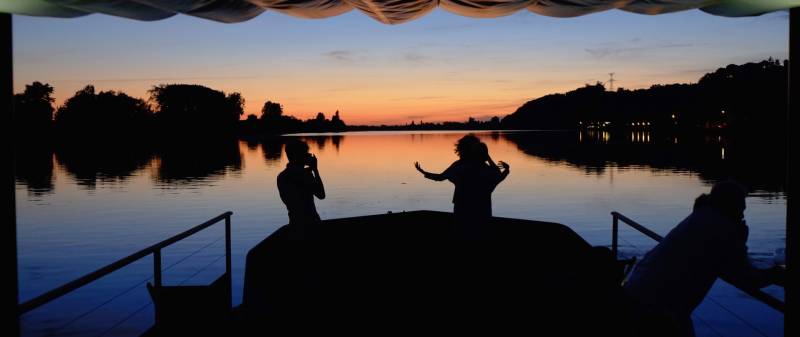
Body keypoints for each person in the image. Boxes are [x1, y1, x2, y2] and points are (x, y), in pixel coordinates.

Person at [623, 181, 784, 336]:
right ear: (730, 206)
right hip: (659, 309)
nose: (742, 215)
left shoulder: (700, 216)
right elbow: (746, 277)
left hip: (636, 291)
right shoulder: (724, 229)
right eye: (740, 209)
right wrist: (776, 274)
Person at [414, 134, 510, 237]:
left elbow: (440, 177)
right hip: (481, 209)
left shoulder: (460, 165)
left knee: (462, 232)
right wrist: (503, 168)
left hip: (463, 207)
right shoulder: (484, 168)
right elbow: (497, 176)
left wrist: (423, 172)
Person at [277, 139, 326, 236]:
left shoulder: (281, 176)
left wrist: (308, 171)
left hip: (294, 225)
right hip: (312, 225)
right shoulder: (304, 175)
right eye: (305, 153)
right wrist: (315, 170)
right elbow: (321, 195)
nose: (308, 156)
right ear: (299, 156)